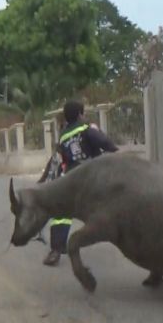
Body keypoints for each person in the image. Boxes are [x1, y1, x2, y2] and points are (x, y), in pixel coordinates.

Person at [43, 100, 118, 266]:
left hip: (72, 179)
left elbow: (57, 160)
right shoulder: (86, 128)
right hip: (93, 177)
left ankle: (55, 250)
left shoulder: (62, 135)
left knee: (62, 215)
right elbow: (105, 144)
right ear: (79, 114)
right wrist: (118, 153)